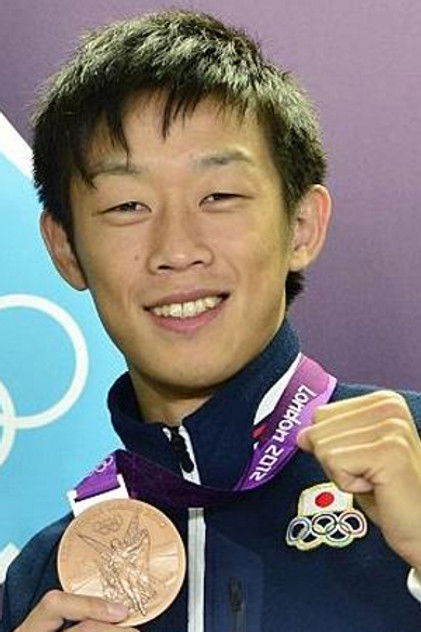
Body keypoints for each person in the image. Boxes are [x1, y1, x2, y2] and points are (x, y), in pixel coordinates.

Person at [2, 9, 421, 632]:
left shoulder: (415, 459)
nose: (177, 249)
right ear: (65, 250)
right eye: (127, 205)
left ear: (301, 226)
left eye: (219, 196)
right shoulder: (45, 582)